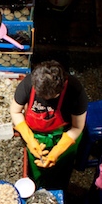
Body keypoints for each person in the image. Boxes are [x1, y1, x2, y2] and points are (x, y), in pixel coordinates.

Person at [10, 60, 88, 190]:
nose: (46, 100)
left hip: (63, 135)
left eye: (51, 97)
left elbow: (77, 127)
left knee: (60, 170)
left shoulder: (75, 90)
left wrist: (57, 151)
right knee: (35, 169)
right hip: (36, 136)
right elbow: (15, 111)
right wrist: (30, 139)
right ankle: (37, 186)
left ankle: (57, 188)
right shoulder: (28, 83)